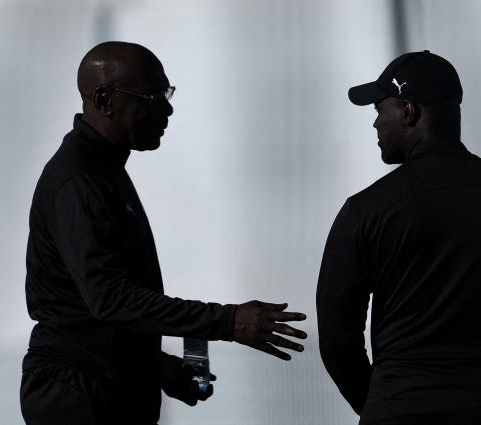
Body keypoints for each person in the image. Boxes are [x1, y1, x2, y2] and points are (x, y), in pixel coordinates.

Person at [21, 41, 307, 425]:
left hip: (99, 383)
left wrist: (152, 365)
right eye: (153, 96)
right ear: (105, 100)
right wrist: (229, 321)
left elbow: (89, 312)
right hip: (79, 393)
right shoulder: (79, 180)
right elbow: (109, 299)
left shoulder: (103, 170)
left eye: (167, 94)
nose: (168, 108)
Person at [316, 50, 481, 425]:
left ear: (408, 111)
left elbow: (337, 336)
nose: (375, 123)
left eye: (380, 109)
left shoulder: (365, 211)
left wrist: (382, 404)